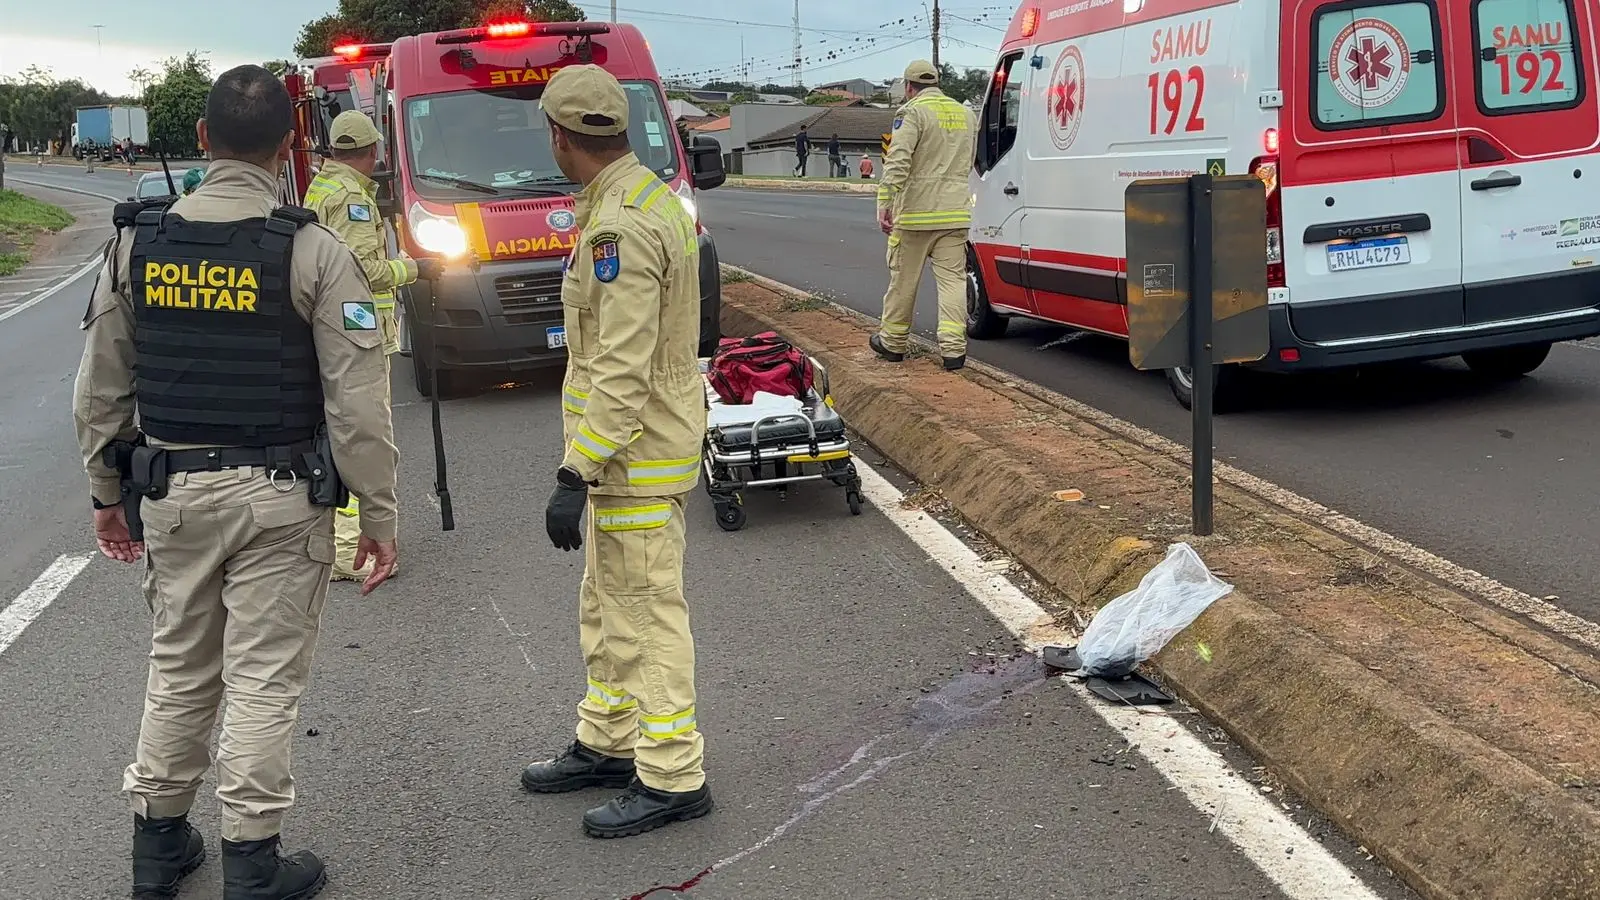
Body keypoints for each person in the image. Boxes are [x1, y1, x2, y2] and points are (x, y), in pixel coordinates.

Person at [73, 64, 400, 900]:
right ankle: (251, 861)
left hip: (173, 497)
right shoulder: (310, 249)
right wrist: (378, 514)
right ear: (292, 143)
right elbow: (357, 404)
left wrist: (108, 497)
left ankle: (159, 846)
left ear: (203, 140)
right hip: (280, 499)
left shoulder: (136, 243)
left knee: (180, 667)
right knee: (261, 677)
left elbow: (100, 391)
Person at [521, 62, 713, 840]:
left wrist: (577, 467)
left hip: (632, 456)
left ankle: (672, 774)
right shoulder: (643, 199)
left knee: (644, 610)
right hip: (628, 456)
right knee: (607, 604)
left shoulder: (619, 227)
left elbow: (621, 366)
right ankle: (609, 739)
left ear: (562, 137)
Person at [302, 109, 441, 582]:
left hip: (328, 330)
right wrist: (415, 269)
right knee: (364, 436)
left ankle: (341, 539)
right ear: (373, 152)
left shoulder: (321, 187)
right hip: (357, 332)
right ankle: (349, 548)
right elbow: (366, 271)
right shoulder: (352, 201)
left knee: (339, 430)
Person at [871, 59, 979, 371]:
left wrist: (885, 202)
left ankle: (892, 342)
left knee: (904, 280)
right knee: (953, 283)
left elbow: (898, 161)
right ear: (936, 83)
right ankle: (954, 351)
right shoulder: (966, 114)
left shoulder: (912, 112)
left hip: (916, 215)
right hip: (956, 212)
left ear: (908, 87)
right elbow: (968, 160)